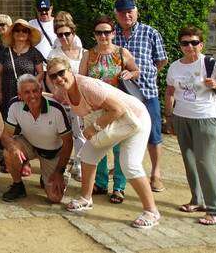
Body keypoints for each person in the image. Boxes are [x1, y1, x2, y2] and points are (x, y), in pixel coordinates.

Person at [49, 57, 160, 229]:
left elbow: (119, 109)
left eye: (61, 73)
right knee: (87, 155)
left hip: (135, 118)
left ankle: (152, 211)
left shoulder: (87, 85)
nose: (58, 78)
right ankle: (86, 199)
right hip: (112, 124)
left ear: (70, 70)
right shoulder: (63, 90)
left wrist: (94, 128)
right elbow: (53, 97)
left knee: (129, 164)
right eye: (53, 76)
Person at [165, 26, 216, 226]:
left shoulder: (212, 65)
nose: (190, 46)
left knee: (206, 163)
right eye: (185, 43)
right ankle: (196, 200)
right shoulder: (174, 67)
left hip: (206, 118)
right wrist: (169, 116)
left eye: (194, 42)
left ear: (201, 44)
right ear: (180, 45)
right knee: (190, 161)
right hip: (182, 117)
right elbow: (170, 91)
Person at [79, 16, 140, 203]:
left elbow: (136, 71)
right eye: (99, 32)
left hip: (119, 107)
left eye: (107, 32)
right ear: (94, 35)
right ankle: (101, 182)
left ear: (113, 33)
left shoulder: (122, 53)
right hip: (97, 108)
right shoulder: (88, 55)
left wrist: (130, 73)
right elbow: (81, 79)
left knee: (120, 147)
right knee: (100, 143)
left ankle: (119, 187)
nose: (103, 36)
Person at [113, 0, 168, 192]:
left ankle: (156, 173)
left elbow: (161, 61)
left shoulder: (150, 33)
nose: (126, 15)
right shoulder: (112, 34)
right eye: (122, 12)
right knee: (120, 133)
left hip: (147, 92)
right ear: (116, 14)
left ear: (136, 11)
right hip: (120, 95)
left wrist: (147, 73)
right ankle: (121, 168)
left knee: (154, 134)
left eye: (130, 11)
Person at [0, 74, 71, 203]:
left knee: (55, 198)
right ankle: (18, 186)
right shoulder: (15, 104)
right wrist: (12, 147)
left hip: (52, 152)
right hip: (29, 143)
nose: (32, 95)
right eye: (26, 92)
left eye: (35, 91)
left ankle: (57, 174)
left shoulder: (56, 109)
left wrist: (59, 172)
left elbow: (68, 142)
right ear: (19, 94)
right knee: (9, 152)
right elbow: (5, 135)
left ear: (40, 90)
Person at [46, 16, 87, 183]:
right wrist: (56, 92)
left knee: (80, 133)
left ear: (73, 33)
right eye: (60, 35)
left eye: (67, 34)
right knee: (62, 132)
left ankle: (79, 164)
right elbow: (49, 77)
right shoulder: (54, 53)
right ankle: (59, 165)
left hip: (78, 98)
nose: (63, 38)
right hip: (61, 99)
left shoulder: (84, 53)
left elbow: (84, 76)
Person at [0, 19, 45, 109]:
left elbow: (41, 73)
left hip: (28, 94)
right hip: (8, 93)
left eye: (24, 31)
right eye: (17, 30)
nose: (20, 32)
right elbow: (0, 74)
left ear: (28, 34)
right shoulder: (5, 52)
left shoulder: (34, 52)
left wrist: (29, 85)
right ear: (13, 33)